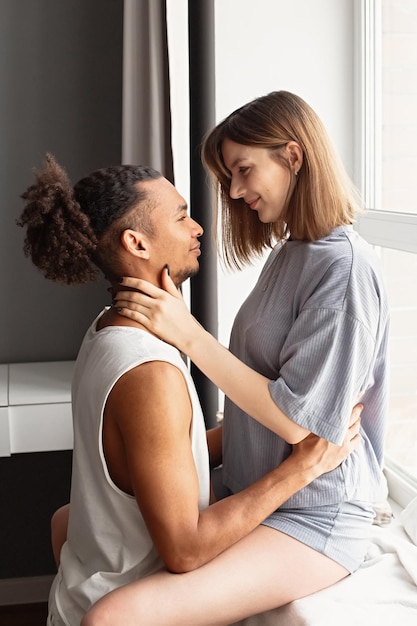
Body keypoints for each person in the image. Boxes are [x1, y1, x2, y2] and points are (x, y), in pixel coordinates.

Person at [17, 153, 361, 626]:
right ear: (136, 242)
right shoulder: (150, 372)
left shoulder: (109, 328)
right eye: (181, 217)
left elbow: (169, 451)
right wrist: (301, 469)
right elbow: (185, 550)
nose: (198, 228)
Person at [97, 90, 390, 624]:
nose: (234, 191)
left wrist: (189, 335)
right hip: (256, 487)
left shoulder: (343, 270)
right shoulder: (293, 252)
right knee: (72, 522)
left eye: (243, 169)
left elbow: (298, 423)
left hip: (314, 515)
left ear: (293, 157)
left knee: (116, 615)